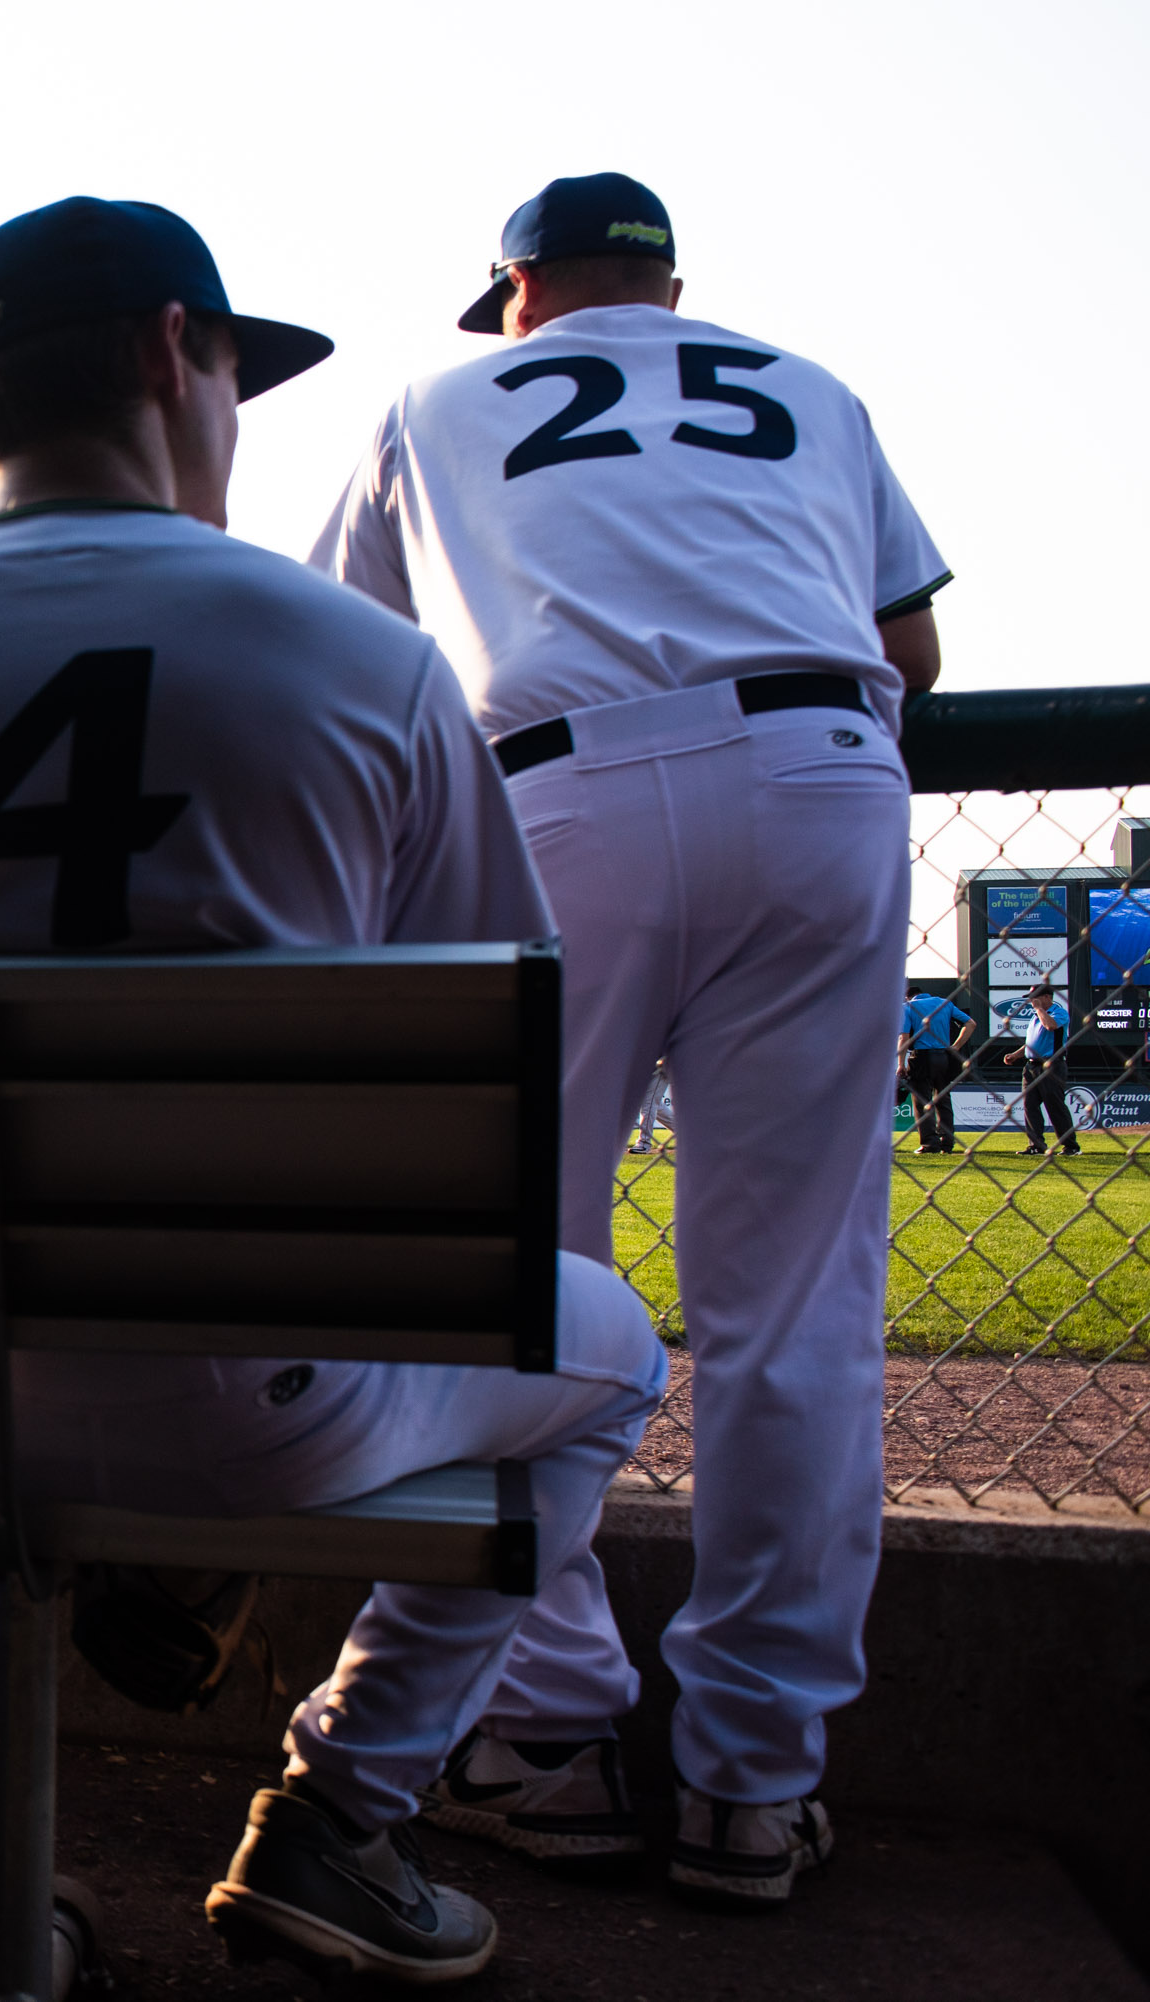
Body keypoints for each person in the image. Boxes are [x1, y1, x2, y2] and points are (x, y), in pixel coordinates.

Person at [0, 196, 665, 1987]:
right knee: (610, 1347)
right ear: (161, 354)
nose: (232, 415)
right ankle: (341, 1818)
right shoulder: (367, 660)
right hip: (260, 1407)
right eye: (230, 370)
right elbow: (490, 1129)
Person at [311, 173, 949, 1907]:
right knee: (797, 1303)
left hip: (557, 797)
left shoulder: (434, 402)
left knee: (521, 1276)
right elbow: (914, 646)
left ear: (519, 287)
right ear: (672, 280)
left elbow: (345, 667)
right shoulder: (805, 383)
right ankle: (753, 1779)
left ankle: (550, 1726)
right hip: (824, 775)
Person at [1005, 981, 1078, 1157]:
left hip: (1051, 1064)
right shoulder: (1035, 1017)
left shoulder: (1058, 1012)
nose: (1031, 1002)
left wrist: (1039, 1009)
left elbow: (1051, 1026)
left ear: (1047, 997)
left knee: (1055, 1106)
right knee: (1030, 1105)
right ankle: (1036, 1145)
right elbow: (1031, 1042)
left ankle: (1070, 1146)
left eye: (1034, 998)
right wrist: (1016, 1054)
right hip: (1031, 1065)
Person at [899, 989, 976, 1153]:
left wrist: (901, 1063)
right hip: (944, 1056)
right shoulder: (944, 1003)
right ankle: (946, 1142)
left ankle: (929, 1143)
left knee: (922, 1102)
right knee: (943, 1100)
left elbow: (903, 1037)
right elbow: (971, 1024)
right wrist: (955, 1047)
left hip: (921, 1057)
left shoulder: (908, 1007)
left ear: (908, 996)